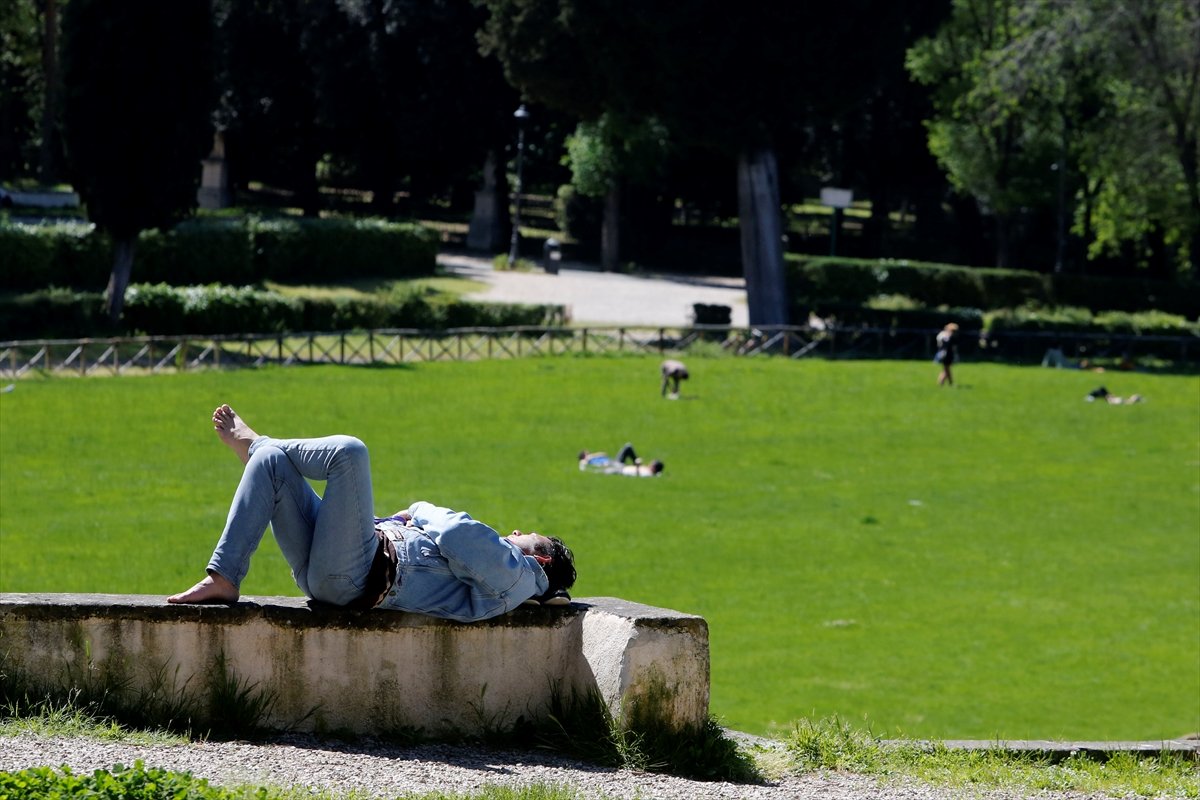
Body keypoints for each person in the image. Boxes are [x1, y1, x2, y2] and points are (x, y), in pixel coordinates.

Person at [168, 405, 576, 619]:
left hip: (357, 574)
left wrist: (416, 510)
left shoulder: (517, 574)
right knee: (274, 463)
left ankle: (255, 443)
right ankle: (224, 577)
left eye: (528, 535)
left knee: (350, 452)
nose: (517, 530)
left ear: (538, 556)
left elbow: (453, 532)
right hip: (346, 564)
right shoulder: (509, 579)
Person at [578, 443, 664, 477]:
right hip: (619, 466)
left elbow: (603, 454)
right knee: (628, 447)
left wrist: (638, 466)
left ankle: (594, 472)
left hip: (619, 466)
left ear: (654, 468)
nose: (649, 464)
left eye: (651, 464)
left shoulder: (648, 473)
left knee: (627, 448)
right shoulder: (649, 472)